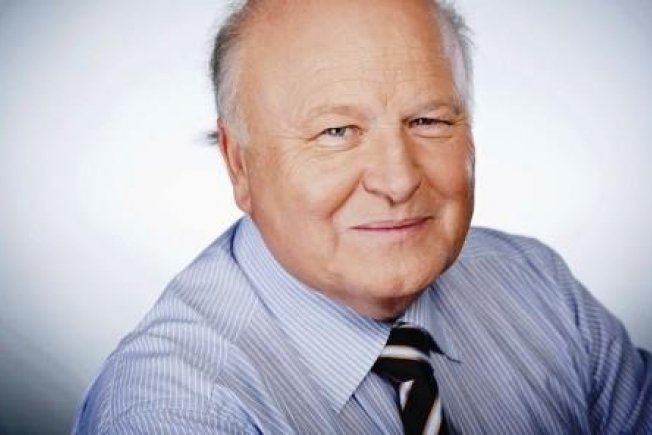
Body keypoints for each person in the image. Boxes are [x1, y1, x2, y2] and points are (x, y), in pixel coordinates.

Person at [73, 0, 652, 433]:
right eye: (336, 131)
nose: (397, 181)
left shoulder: (539, 287)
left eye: (428, 121)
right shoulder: (177, 410)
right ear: (239, 164)